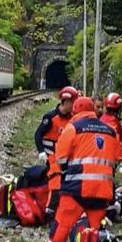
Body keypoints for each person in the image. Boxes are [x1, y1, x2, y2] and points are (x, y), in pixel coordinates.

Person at [44, 96, 122, 242]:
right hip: (102, 190)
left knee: (62, 225)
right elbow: (117, 158)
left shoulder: (73, 128)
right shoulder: (110, 130)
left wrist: (68, 171)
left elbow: (61, 158)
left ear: (75, 111)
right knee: (94, 232)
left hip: (76, 188)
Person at [34, 86, 79, 214]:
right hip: (52, 155)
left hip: (65, 156)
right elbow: (38, 134)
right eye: (73, 102)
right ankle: (51, 209)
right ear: (65, 102)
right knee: (55, 179)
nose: (74, 105)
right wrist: (41, 151)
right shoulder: (50, 117)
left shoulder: (72, 118)